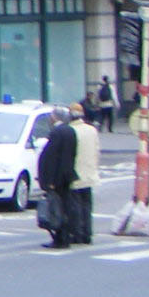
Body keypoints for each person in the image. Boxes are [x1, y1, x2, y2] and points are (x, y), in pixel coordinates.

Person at [35, 107, 79, 250]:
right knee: (65, 206)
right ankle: (66, 236)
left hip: (57, 178)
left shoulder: (56, 133)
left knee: (56, 208)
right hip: (67, 175)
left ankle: (60, 238)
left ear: (54, 118)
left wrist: (49, 181)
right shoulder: (70, 131)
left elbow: (52, 158)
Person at [67, 102, 99, 246]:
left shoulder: (71, 130)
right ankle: (88, 233)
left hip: (75, 174)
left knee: (75, 207)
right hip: (89, 174)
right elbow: (96, 151)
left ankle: (77, 234)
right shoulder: (92, 130)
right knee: (87, 206)